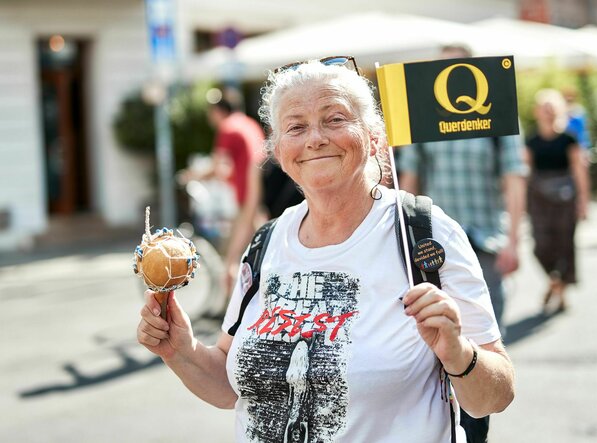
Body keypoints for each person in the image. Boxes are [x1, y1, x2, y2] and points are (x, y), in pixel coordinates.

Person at [137, 57, 515, 442]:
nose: (314, 138)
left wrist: (458, 354)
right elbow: (229, 387)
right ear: (280, 152)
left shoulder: (426, 232)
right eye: (296, 127)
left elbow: (496, 395)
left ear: (373, 139)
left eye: (335, 119)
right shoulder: (266, 243)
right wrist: (180, 350)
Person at [398, 44, 527, 442]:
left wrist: (514, 240)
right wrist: (400, 236)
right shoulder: (422, 113)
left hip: (485, 241)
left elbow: (513, 177)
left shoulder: (493, 113)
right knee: (428, 347)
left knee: (479, 349)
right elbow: (411, 179)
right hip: (429, 250)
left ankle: (473, 434)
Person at [525, 89, 590, 313]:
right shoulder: (531, 140)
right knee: (541, 247)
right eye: (545, 109)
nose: (548, 113)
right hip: (540, 200)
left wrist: (583, 201)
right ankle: (555, 283)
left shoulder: (568, 138)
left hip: (566, 199)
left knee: (565, 246)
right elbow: (526, 172)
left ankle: (559, 291)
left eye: (552, 109)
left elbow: (579, 170)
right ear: (537, 112)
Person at [205, 95, 267, 294]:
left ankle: (230, 304)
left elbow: (217, 167)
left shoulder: (228, 128)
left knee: (233, 253)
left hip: (247, 194)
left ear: (218, 112)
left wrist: (192, 175)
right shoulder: (249, 123)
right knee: (264, 243)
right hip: (261, 192)